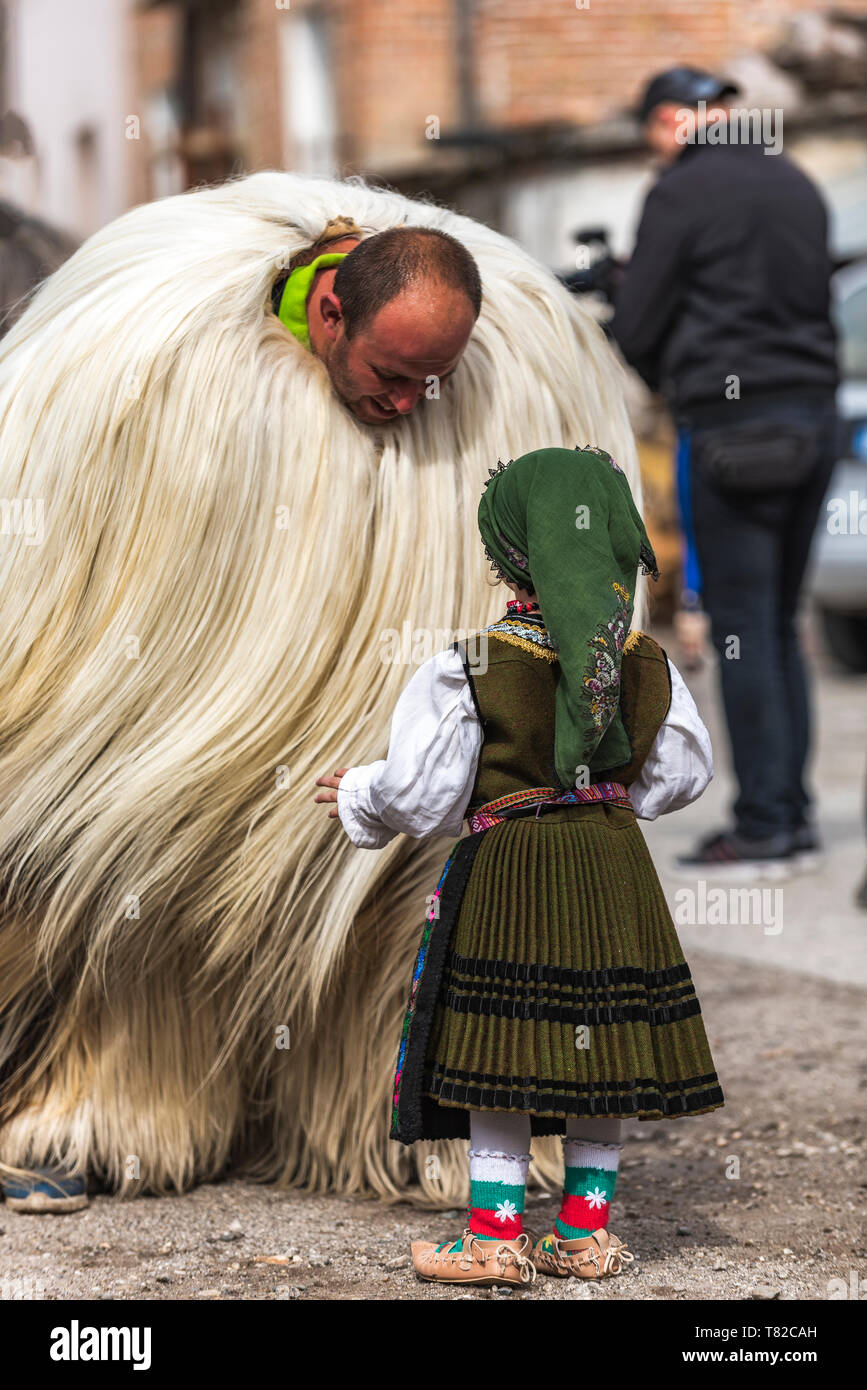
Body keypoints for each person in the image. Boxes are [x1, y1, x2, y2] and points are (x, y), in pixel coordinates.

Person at [0, 173, 644, 1213]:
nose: (405, 406)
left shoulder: (512, 383)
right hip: (179, 712)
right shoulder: (149, 360)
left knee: (409, 892)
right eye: (390, 375)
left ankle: (414, 1122)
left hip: (389, 749)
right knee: (142, 858)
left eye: (432, 385)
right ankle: (106, 1104)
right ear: (328, 313)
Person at [317, 445, 723, 1287]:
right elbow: (679, 777)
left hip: (510, 868)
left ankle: (495, 1235)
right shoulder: (646, 666)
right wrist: (603, 799)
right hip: (613, 870)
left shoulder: (468, 666)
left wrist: (361, 792)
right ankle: (584, 1234)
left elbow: (424, 798)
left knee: (502, 1049)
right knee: (596, 1055)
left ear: (508, 552)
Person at [611, 67, 839, 876]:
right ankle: (794, 818)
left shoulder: (682, 190)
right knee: (777, 624)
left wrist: (639, 317)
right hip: (814, 420)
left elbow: (636, 327)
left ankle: (763, 826)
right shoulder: (794, 183)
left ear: (672, 120)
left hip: (733, 432)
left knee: (741, 629)